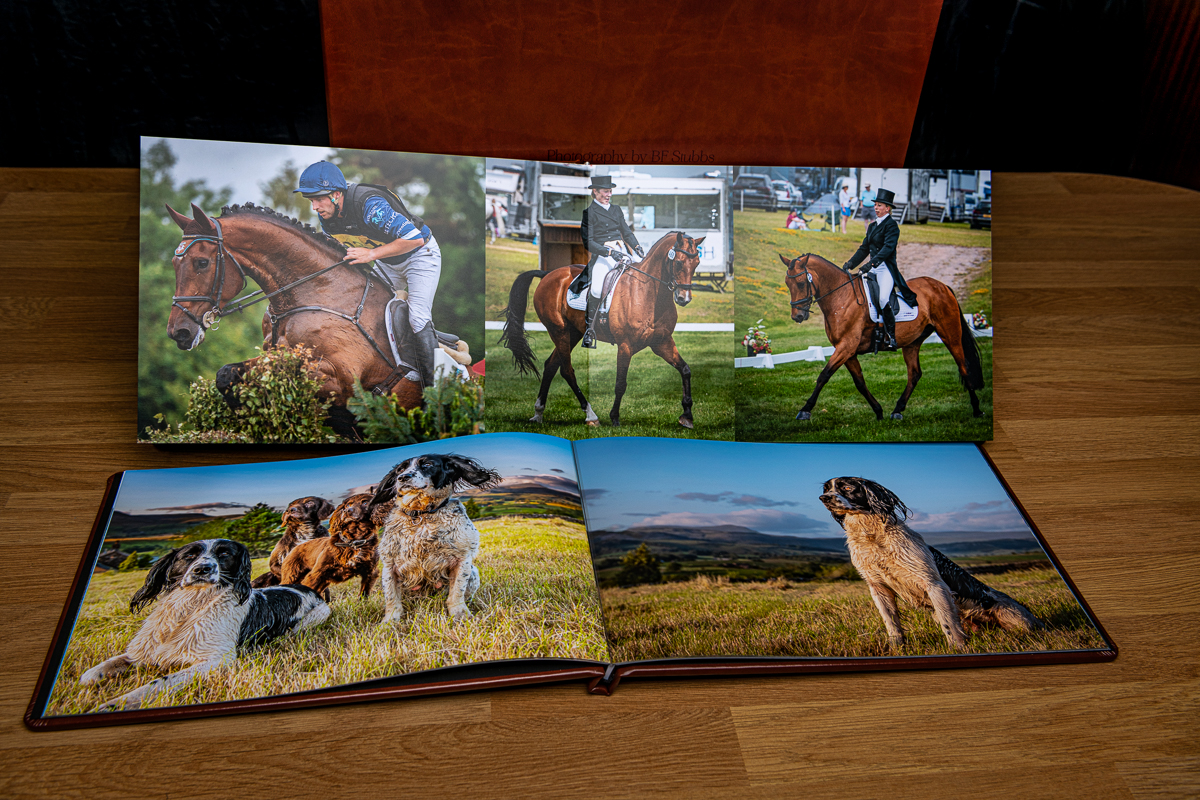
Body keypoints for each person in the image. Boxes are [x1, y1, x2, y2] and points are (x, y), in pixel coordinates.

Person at [294, 161, 441, 387]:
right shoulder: (329, 218)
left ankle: (435, 392)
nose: (314, 207)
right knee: (367, 310)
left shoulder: (370, 206)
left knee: (417, 317)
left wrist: (371, 254)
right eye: (311, 200)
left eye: (318, 199)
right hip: (387, 261)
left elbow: (415, 239)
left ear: (336, 194)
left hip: (420, 255)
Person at [842, 188, 917, 351]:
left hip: (886, 270)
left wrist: (871, 264)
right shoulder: (872, 225)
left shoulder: (892, 226)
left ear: (887, 208)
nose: (876, 208)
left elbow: (887, 249)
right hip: (873, 268)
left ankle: (891, 337)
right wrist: (850, 263)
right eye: (875, 205)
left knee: (883, 298)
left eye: (879, 205)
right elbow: (864, 249)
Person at [580, 174, 643, 349]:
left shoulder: (616, 210)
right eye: (605, 191)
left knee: (644, 270)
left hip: (622, 250)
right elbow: (588, 242)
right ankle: (590, 330)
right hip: (604, 253)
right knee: (597, 287)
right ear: (595, 192)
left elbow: (626, 231)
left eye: (610, 191)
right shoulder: (589, 213)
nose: (609, 195)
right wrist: (608, 251)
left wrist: (637, 247)